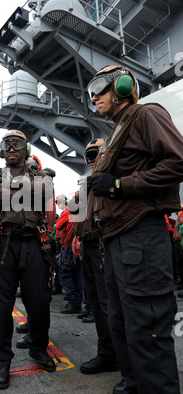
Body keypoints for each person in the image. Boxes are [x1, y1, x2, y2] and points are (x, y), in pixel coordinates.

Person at [85, 65, 183, 394]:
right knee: (124, 326)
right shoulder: (116, 131)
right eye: (90, 90)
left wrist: (118, 186)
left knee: (148, 329)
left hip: (142, 236)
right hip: (117, 240)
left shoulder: (145, 114)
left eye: (100, 87)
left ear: (124, 86)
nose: (93, 95)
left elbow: (178, 162)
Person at [0, 129, 56, 389]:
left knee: (39, 301)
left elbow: (44, 199)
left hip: (35, 243)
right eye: (7, 145)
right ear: (2, 151)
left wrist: (9, 191)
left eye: (17, 144)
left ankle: (38, 348)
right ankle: (2, 361)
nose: (12, 149)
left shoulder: (42, 176)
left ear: (26, 149)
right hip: (2, 244)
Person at [77, 139, 119, 378]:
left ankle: (117, 357)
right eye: (89, 156)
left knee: (109, 305)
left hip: (105, 245)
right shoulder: (89, 185)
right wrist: (77, 236)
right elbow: (81, 216)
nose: (92, 160)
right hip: (89, 244)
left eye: (96, 154)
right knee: (96, 302)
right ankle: (107, 354)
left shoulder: (111, 179)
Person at [55, 195, 85, 315]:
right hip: (76, 248)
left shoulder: (67, 213)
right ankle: (77, 302)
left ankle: (73, 302)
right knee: (77, 275)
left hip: (68, 248)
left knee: (64, 274)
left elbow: (57, 226)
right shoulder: (80, 213)